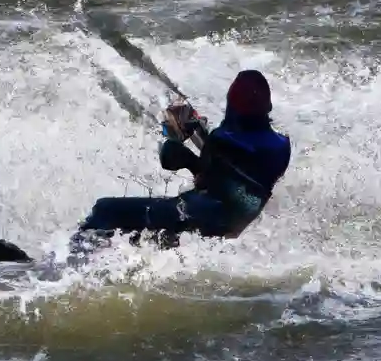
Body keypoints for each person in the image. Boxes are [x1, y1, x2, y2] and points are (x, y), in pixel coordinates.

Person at [72, 70, 291, 252]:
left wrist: (173, 140)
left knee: (105, 209)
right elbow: (235, 169)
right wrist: (202, 138)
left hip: (198, 215)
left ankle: (68, 262)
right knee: (135, 229)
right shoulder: (283, 147)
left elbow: (195, 173)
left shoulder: (221, 141)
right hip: (234, 222)